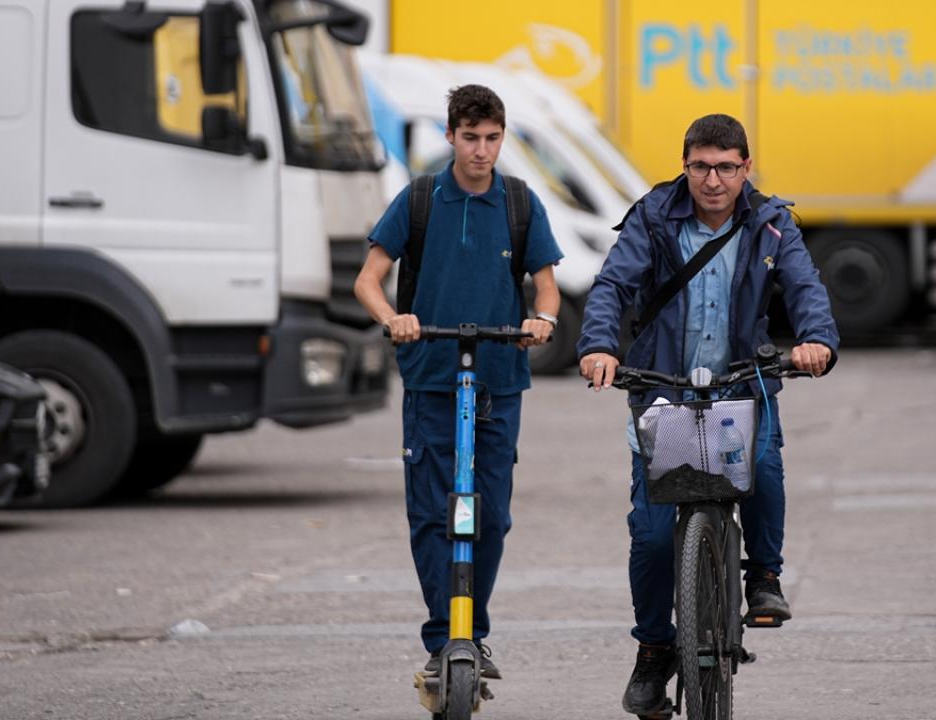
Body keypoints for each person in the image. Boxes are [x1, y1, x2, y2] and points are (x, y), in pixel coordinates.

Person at [575, 113, 839, 715]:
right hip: (664, 390)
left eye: (725, 166)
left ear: (745, 167)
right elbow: (613, 285)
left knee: (764, 468)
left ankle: (764, 578)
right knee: (649, 535)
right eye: (701, 166)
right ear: (685, 166)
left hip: (741, 386)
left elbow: (805, 288)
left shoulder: (771, 223)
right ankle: (653, 651)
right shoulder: (652, 216)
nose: (713, 179)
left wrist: (815, 339)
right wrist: (597, 346)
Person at [354, 84, 563, 680]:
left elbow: (546, 285)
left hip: (498, 376)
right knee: (431, 514)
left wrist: (542, 320)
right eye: (470, 137)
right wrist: (394, 317)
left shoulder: (520, 202)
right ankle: (445, 636)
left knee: (489, 515)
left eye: (492, 138)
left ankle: (472, 633)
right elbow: (369, 279)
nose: (481, 150)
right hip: (432, 376)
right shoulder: (421, 198)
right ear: (450, 136)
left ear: (503, 137)